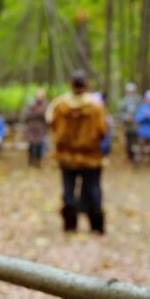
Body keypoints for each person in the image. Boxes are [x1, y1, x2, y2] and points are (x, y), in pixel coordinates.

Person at [46, 70, 107, 233]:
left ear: (71, 84)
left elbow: (53, 126)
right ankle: (96, 225)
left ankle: (70, 224)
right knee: (93, 188)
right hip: (90, 157)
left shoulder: (60, 105)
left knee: (68, 189)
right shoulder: (96, 106)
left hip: (67, 156)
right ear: (86, 84)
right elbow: (102, 130)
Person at [24, 89, 49, 167]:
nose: (40, 97)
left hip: (41, 129)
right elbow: (27, 115)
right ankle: (31, 160)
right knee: (32, 145)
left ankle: (38, 161)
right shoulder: (31, 104)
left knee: (40, 145)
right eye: (39, 95)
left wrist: (40, 114)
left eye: (41, 95)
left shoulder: (46, 105)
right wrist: (35, 113)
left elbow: (47, 116)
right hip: (32, 128)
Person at [119, 83, 141, 161]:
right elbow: (120, 113)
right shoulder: (123, 101)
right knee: (129, 141)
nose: (131, 93)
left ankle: (136, 155)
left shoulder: (138, 100)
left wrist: (137, 117)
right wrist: (126, 117)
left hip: (137, 125)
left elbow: (142, 110)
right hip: (128, 126)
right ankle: (130, 156)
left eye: (132, 91)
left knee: (136, 141)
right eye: (129, 91)